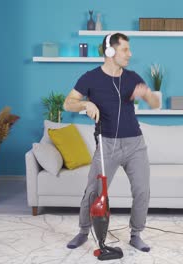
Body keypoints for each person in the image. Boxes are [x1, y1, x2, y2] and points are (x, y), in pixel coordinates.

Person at [63, 33, 160, 252]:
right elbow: (68, 103)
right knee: (93, 191)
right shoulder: (90, 78)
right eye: (125, 49)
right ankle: (83, 231)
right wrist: (85, 105)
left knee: (143, 190)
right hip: (107, 143)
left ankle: (136, 234)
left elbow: (155, 104)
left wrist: (147, 94)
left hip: (135, 143)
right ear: (110, 51)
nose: (130, 54)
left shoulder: (133, 77)